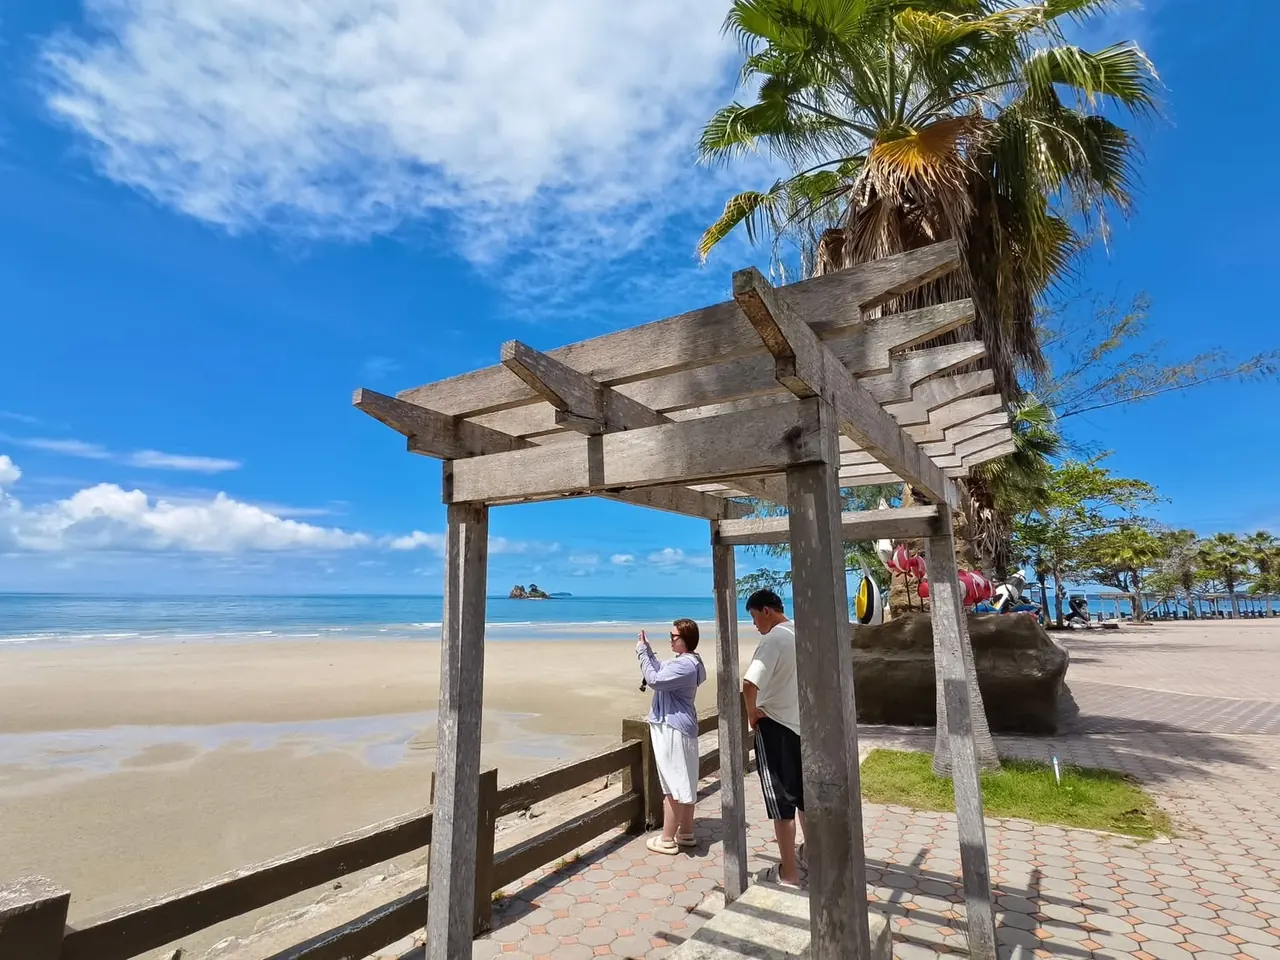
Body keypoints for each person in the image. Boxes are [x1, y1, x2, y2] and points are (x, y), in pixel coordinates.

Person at [742, 588, 806, 887]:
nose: (754, 624)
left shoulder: (773, 639)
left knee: (781, 804)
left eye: (754, 617)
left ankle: (789, 873)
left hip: (775, 726)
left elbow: (750, 683)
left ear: (766, 611)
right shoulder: (799, 634)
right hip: (800, 725)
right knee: (804, 799)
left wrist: (751, 713)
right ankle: (812, 855)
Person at [636, 618, 707, 855]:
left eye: (673, 636)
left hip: (672, 727)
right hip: (681, 726)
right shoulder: (688, 661)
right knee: (685, 781)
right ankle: (685, 833)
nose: (670, 640)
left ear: (685, 639)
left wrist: (641, 654)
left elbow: (655, 680)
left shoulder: (685, 665)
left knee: (673, 784)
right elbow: (659, 669)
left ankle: (667, 839)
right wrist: (647, 651)